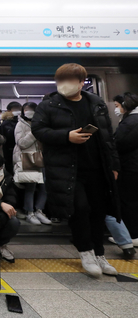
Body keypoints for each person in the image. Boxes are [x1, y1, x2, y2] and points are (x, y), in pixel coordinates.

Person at [32, 63, 119, 277]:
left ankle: (99, 253)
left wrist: (114, 165)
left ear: (82, 83)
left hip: (97, 167)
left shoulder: (96, 104)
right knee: (79, 209)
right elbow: (39, 130)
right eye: (60, 81)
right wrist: (66, 136)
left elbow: (108, 137)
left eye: (69, 81)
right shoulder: (49, 105)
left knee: (98, 211)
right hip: (67, 169)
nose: (63, 85)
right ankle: (86, 252)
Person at [13, 102, 51, 225]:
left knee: (44, 186)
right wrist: (34, 132)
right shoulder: (20, 124)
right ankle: (29, 212)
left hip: (41, 158)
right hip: (28, 158)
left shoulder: (42, 123)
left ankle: (39, 210)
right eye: (26, 109)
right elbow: (22, 143)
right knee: (31, 186)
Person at [113, 92, 138, 246]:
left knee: (129, 201)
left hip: (130, 166)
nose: (116, 109)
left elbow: (119, 143)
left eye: (117, 106)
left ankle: (131, 235)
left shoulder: (131, 122)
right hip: (134, 166)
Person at [1, 102, 22, 175]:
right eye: (15, 109)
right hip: (9, 149)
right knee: (10, 167)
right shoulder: (6, 123)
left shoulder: (22, 121)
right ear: (9, 111)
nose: (17, 111)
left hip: (21, 148)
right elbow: (6, 136)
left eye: (19, 109)